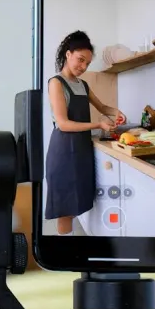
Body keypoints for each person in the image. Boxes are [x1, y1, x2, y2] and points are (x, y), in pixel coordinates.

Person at [44, 30, 125, 236]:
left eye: (87, 63)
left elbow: (103, 107)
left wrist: (116, 112)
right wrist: (98, 125)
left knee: (77, 203)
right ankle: (66, 251)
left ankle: (73, 246)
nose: (83, 67)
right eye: (80, 60)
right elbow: (63, 124)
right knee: (65, 210)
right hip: (63, 151)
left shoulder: (83, 85)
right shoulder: (56, 83)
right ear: (68, 54)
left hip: (81, 149)